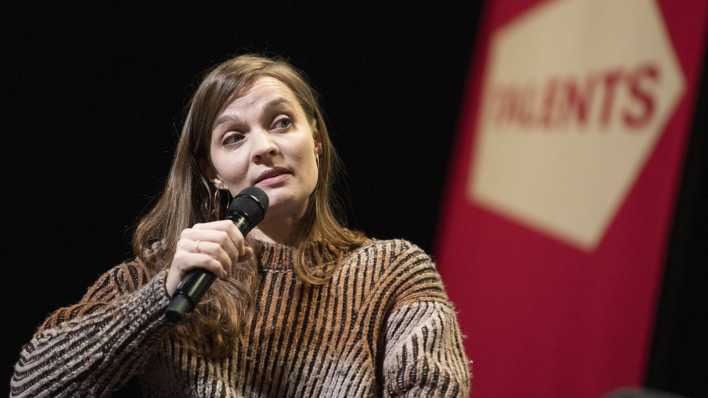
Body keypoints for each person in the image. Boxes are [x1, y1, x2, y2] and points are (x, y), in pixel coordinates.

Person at [10, 54, 471, 397]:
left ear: (315, 143)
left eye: (282, 122)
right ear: (212, 172)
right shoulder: (165, 275)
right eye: (234, 137)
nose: (263, 147)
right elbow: (31, 386)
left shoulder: (393, 272)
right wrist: (159, 299)